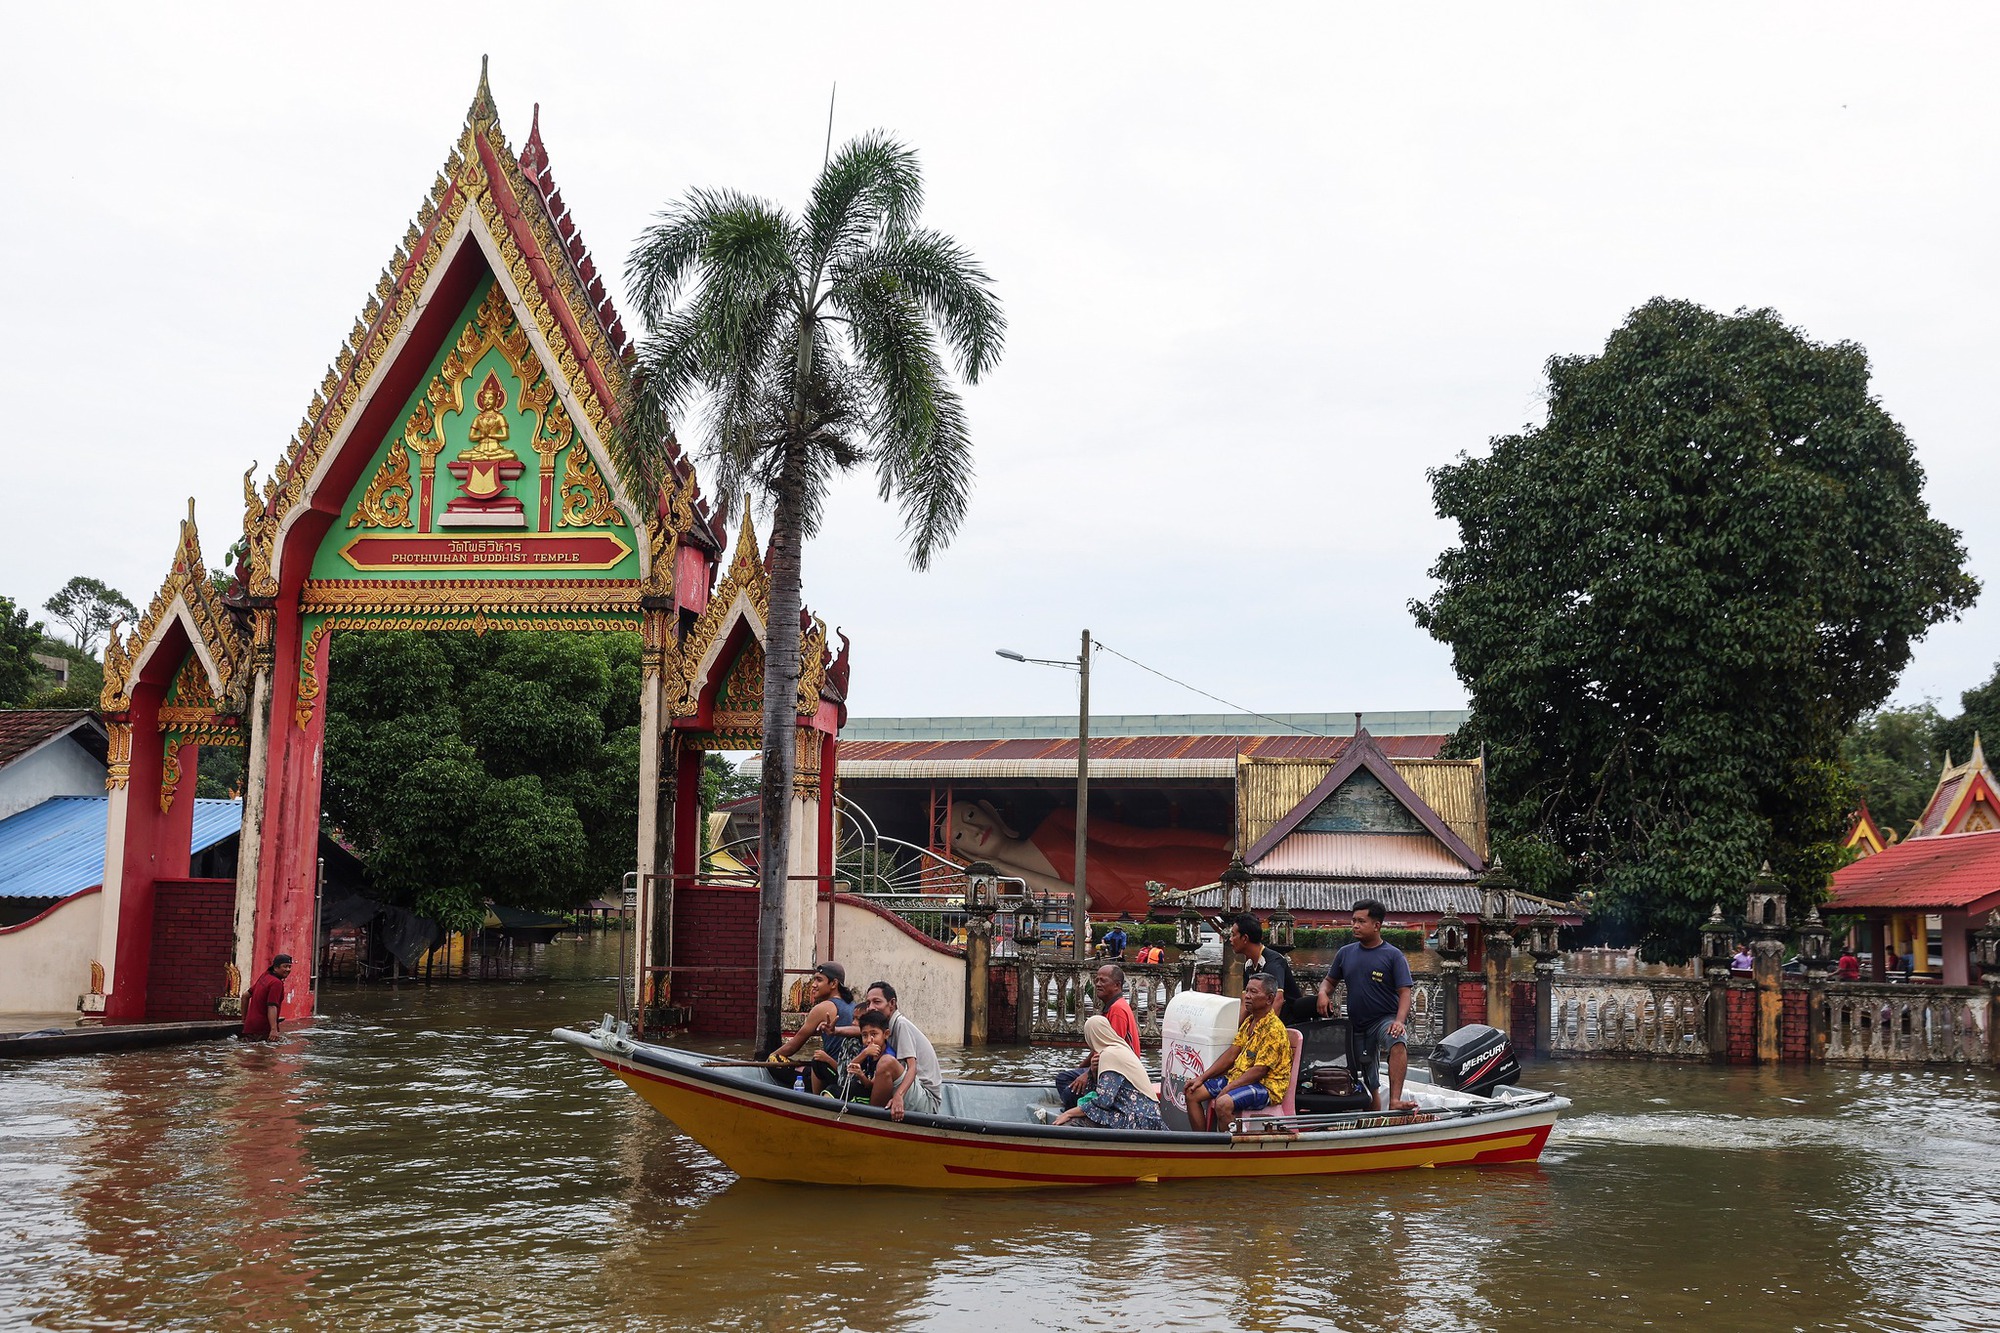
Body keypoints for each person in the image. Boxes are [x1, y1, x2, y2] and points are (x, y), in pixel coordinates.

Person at [1321, 899, 1417, 1111]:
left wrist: (1399, 1021)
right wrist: (1322, 993)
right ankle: (1373, 1124)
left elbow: (1405, 992)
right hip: (1356, 1024)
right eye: (1353, 920)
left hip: (1383, 1020)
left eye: (1361, 921)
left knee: (1397, 1039)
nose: (1355, 925)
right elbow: (1329, 981)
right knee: (1369, 1079)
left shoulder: (1393, 955)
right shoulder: (1345, 953)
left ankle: (1395, 1100)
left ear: (1377, 925)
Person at [1183, 974, 1291, 1132]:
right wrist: (1202, 1077)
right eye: (1246, 991)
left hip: (1266, 1086)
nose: (1247, 996)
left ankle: (1232, 1150)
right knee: (1192, 1092)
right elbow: (1232, 1053)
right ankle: (1203, 1143)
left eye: (1253, 992)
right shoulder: (1249, 1021)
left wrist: (1229, 1088)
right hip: (1238, 1077)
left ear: (1269, 999)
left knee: (1223, 1103)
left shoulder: (1274, 1029)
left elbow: (1259, 1070)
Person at [1054, 964, 1143, 1109]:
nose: (1097, 984)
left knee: (1067, 1089)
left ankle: (1087, 1109)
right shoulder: (1113, 1006)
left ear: (1117, 985)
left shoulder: (1117, 1010)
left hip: (1121, 1072)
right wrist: (1081, 1068)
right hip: (1107, 1065)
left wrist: (1086, 1075)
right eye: (1096, 980)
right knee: (1065, 1078)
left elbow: (1113, 1051)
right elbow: (1101, 1048)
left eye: (1103, 981)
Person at [1054, 1015, 1164, 1131]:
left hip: (1137, 1119)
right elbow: (1099, 1091)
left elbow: (1103, 1101)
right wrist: (1093, 1071)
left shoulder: (1110, 1054)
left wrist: (1069, 1113)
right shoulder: (1121, 1048)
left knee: (1071, 1124)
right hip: (1146, 1116)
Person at [765, 962, 855, 1092]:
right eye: (814, 980)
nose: (813, 985)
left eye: (819, 980)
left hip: (833, 1073)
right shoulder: (853, 1005)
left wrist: (769, 1060)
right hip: (843, 1072)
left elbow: (792, 1046)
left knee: (775, 1059)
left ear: (833, 984)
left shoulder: (823, 1008)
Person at [860, 980, 943, 1120]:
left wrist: (899, 1095)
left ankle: (871, 1119)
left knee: (886, 1062)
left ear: (891, 1004)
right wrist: (836, 1030)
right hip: (913, 1089)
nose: (871, 1008)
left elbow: (912, 1067)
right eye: (868, 1003)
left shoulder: (900, 1025)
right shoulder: (884, 1028)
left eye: (877, 1002)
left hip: (926, 1099)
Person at [1228, 913, 1299, 1012]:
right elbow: (1245, 1004)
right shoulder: (1248, 965)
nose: (1230, 939)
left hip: (1289, 1020)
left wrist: (1261, 1027)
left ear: (1245, 938)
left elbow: (1277, 1000)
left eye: (1233, 935)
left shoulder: (1272, 962)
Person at [845, 1010, 904, 1107]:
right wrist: (864, 1053)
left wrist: (861, 1075)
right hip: (868, 1092)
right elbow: (849, 1068)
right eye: (864, 1035)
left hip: (880, 1098)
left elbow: (872, 1086)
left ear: (886, 1034)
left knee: (852, 1088)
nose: (869, 1040)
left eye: (874, 1034)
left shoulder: (888, 1056)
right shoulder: (867, 1051)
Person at [240, 954, 293, 1042]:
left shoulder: (265, 976)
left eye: (289, 967)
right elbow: (272, 1006)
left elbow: (245, 996)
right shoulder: (276, 983)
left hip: (250, 1027)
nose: (288, 970)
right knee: (266, 1054)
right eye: (285, 967)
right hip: (263, 1028)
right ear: (276, 968)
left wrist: (244, 1019)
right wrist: (273, 1029)